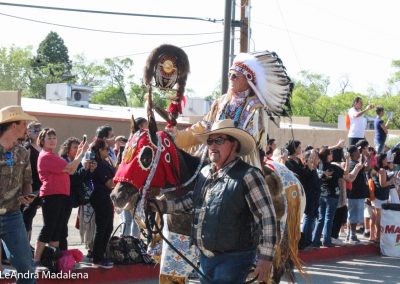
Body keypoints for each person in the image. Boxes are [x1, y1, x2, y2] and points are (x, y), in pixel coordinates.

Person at [152, 119, 277, 283]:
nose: (212, 145)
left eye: (219, 140)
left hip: (234, 259)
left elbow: (267, 217)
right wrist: (162, 206)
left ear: (234, 145)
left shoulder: (249, 175)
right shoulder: (205, 172)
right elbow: (194, 200)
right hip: (206, 258)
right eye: (210, 141)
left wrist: (265, 258)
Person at [171, 52, 292, 170]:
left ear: (248, 79)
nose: (230, 78)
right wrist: (178, 137)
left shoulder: (256, 107)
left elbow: (249, 138)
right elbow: (204, 126)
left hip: (243, 160)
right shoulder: (221, 102)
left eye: (235, 75)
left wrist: (222, 136)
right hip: (214, 154)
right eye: (229, 75)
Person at [34, 128, 87, 264]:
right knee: (49, 227)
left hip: (61, 195)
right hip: (52, 195)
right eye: (49, 138)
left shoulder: (53, 155)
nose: (52, 140)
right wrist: (81, 154)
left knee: (57, 229)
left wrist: (78, 156)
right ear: (42, 141)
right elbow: (70, 169)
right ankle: (36, 260)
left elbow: (71, 169)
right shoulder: (47, 156)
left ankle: (53, 258)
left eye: (54, 137)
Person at [0, 105, 38, 283]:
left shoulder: (23, 152)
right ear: (12, 125)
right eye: (24, 123)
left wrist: (28, 197)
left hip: (12, 216)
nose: (27, 128)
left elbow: (27, 181)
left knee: (27, 271)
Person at [89, 139, 116, 269]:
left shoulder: (105, 161)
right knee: (102, 228)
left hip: (106, 197)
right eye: (106, 148)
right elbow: (110, 183)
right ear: (100, 150)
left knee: (108, 227)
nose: (108, 150)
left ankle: (100, 254)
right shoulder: (97, 163)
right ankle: (97, 257)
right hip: (100, 198)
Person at [22, 122, 42, 241]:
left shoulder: (42, 148)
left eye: (39, 130)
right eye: (35, 130)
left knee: (30, 217)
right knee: (26, 218)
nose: (38, 132)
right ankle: (24, 246)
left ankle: (27, 245)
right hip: (30, 187)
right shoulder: (27, 148)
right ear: (28, 132)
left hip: (39, 187)